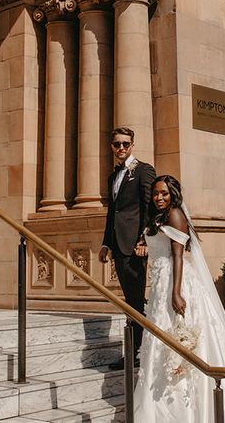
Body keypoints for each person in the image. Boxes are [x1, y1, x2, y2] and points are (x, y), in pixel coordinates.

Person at [133, 175, 225, 422]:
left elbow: (177, 256)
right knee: (161, 339)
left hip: (175, 282)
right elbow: (158, 246)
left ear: (173, 193)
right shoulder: (157, 218)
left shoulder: (175, 214)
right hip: (159, 284)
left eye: (164, 193)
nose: (158, 198)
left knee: (178, 335)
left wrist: (176, 292)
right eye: (155, 193)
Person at [98, 126, 156, 370]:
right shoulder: (113, 177)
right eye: (117, 144)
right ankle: (136, 351)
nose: (121, 148)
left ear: (132, 145)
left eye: (125, 144)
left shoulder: (143, 170)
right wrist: (106, 242)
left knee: (135, 301)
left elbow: (149, 206)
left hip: (135, 246)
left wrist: (144, 240)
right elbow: (113, 212)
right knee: (130, 301)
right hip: (118, 245)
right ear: (112, 147)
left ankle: (137, 353)